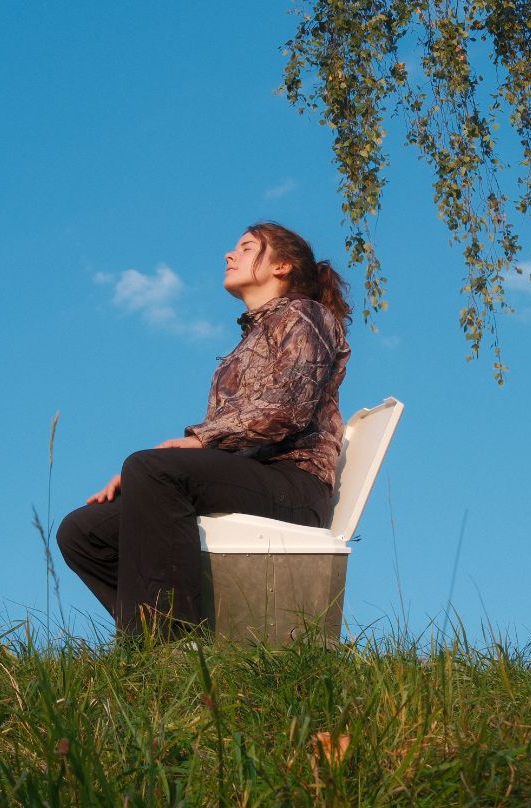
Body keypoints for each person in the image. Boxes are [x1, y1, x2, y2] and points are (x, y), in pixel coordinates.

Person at [56, 222, 352, 639]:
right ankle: (152, 635)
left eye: (247, 248)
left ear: (282, 266)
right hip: (254, 481)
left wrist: (183, 451)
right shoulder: (250, 339)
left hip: (294, 485)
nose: (229, 256)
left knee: (152, 469)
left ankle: (171, 643)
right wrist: (156, 470)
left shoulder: (306, 316)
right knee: (84, 532)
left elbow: (288, 408)